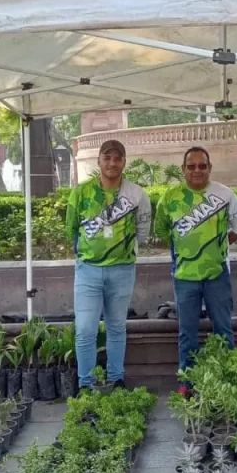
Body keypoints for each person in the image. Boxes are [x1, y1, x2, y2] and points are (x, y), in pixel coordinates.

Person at [65, 139, 151, 390]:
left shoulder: (136, 194)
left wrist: (127, 249)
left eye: (117, 158)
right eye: (107, 158)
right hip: (88, 271)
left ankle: (116, 379)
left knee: (116, 327)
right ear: (99, 160)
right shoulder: (81, 192)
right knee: (85, 331)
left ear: (124, 162)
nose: (112, 163)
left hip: (122, 270)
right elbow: (71, 228)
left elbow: (143, 230)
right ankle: (86, 384)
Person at [155, 146, 237, 375]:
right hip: (184, 277)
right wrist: (186, 248)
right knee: (187, 334)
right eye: (192, 166)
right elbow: (162, 232)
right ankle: (188, 382)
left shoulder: (225, 194)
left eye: (202, 166)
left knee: (224, 331)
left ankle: (227, 380)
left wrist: (218, 245)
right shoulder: (169, 198)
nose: (197, 170)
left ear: (210, 168)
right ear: (183, 169)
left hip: (217, 275)